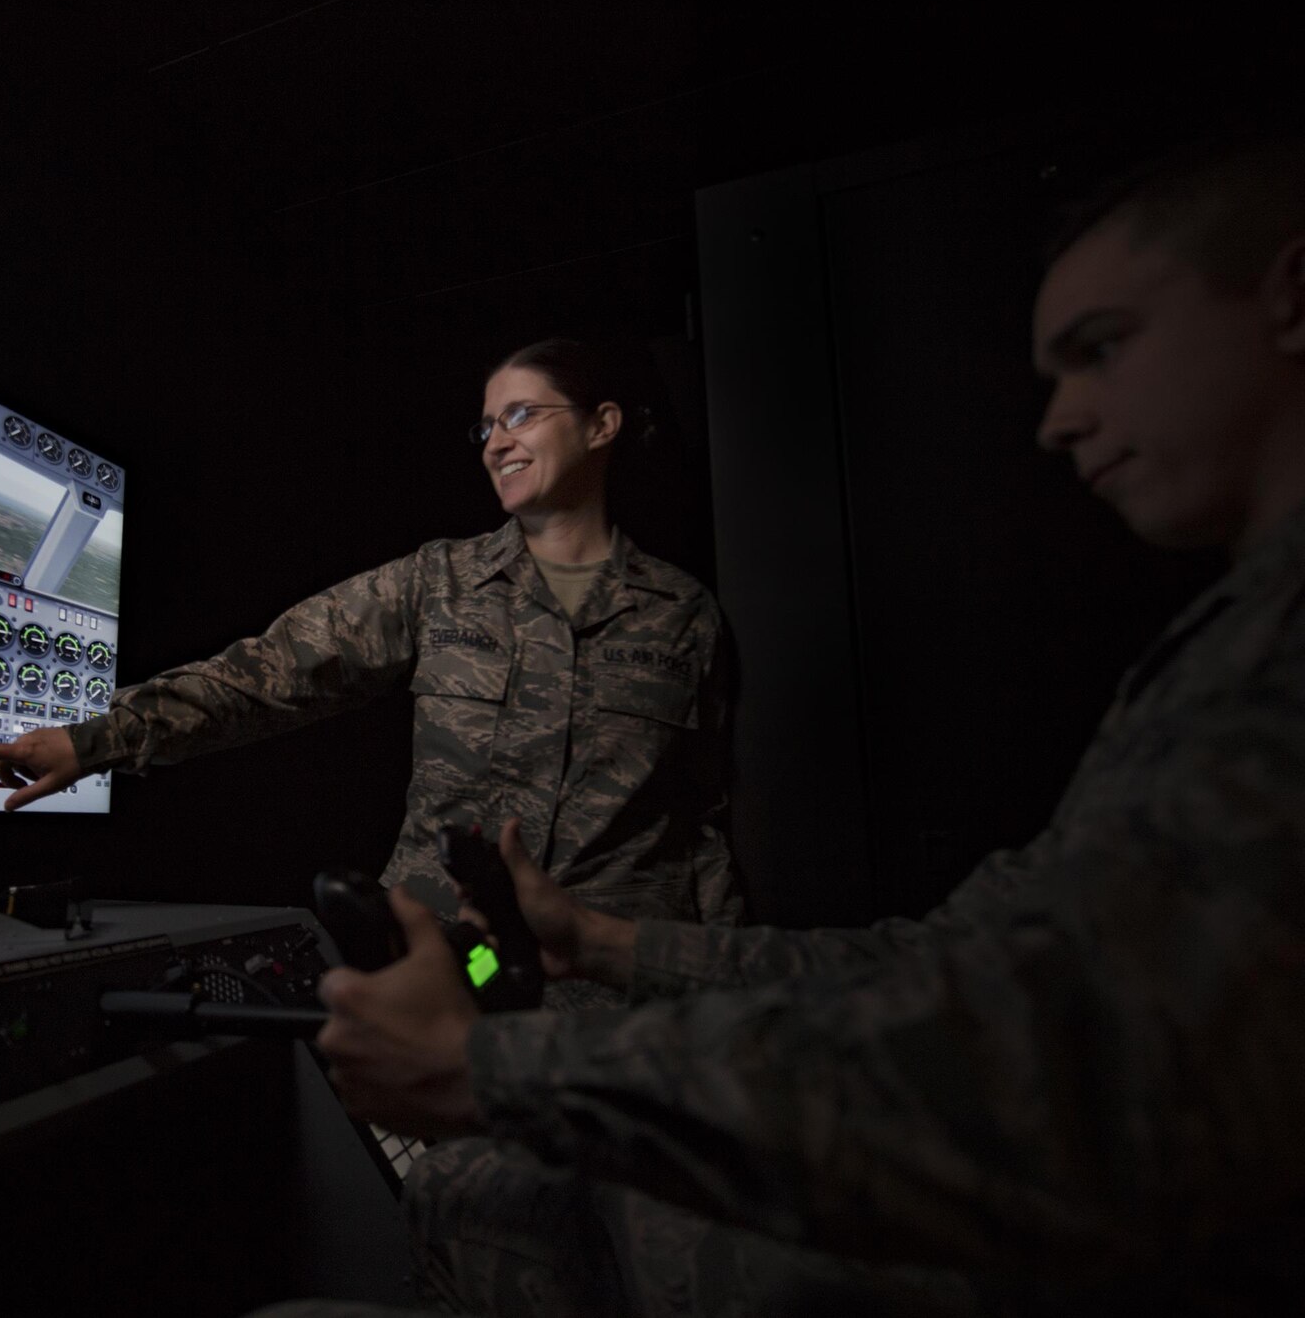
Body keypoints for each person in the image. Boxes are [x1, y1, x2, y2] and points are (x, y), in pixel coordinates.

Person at [268, 133, 1305, 1316]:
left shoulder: (684, 617)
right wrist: (593, 942)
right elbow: (954, 956)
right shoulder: (1231, 637)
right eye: (483, 423)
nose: (1056, 421)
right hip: (530, 983)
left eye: (1100, 349)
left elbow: (1056, 1062)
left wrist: (498, 1067)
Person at [0, 339, 743, 975]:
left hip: (615, 1000)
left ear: (602, 425)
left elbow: (699, 826)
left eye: (523, 415)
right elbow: (267, 676)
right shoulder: (438, 582)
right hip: (447, 969)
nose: (497, 441)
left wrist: (720, 982)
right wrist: (94, 740)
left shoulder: (685, 617)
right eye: (486, 426)